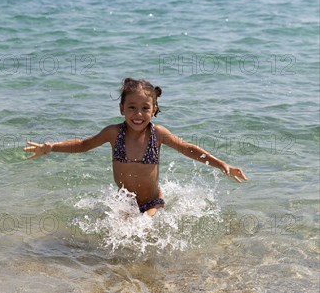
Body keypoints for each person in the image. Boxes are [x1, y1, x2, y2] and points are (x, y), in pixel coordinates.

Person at [24, 78, 249, 216]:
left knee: (144, 226)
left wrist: (222, 165)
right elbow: (83, 145)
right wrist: (51, 147)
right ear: (122, 109)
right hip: (124, 202)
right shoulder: (114, 133)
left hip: (153, 202)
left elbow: (187, 148)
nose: (138, 114)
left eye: (145, 108)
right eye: (132, 107)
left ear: (154, 110)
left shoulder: (157, 134)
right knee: (120, 234)